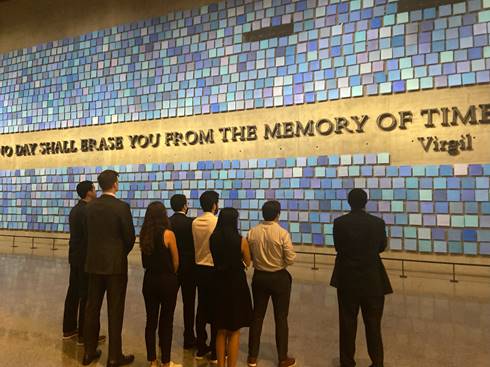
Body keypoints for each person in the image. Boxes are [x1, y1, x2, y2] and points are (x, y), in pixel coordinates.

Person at [330, 188, 393, 367]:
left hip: (347, 279)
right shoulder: (377, 223)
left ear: (349, 202)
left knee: (347, 323)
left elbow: (338, 247)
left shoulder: (340, 223)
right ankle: (377, 361)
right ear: (366, 202)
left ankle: (347, 361)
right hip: (372, 279)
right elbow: (381, 247)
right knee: (373, 324)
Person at [83, 170, 136, 367]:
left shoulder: (89, 207)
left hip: (93, 264)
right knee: (115, 311)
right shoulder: (122, 207)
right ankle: (114, 356)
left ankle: (89, 352)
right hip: (115, 267)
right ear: (115, 184)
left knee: (92, 309)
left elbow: (87, 235)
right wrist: (120, 253)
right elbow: (129, 238)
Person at [247, 201, 296, 367]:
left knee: (257, 316)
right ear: (278, 214)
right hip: (279, 278)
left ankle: (252, 357)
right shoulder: (282, 233)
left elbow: (249, 255)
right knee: (281, 318)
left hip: (259, 277)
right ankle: (282, 358)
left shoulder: (252, 232)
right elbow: (290, 258)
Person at [140, 202, 182, 367]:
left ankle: (152, 361)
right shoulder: (168, 234)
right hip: (167, 281)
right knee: (167, 321)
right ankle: (166, 361)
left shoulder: (144, 234)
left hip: (149, 280)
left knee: (151, 321)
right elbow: (176, 262)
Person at [210, 208, 253, 367]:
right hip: (236, 285)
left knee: (220, 329)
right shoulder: (240, 240)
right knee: (234, 330)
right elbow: (248, 262)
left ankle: (220, 364)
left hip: (218, 284)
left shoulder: (213, 238)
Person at [62, 180, 103, 345]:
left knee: (73, 293)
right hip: (85, 258)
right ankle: (85, 335)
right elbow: (90, 236)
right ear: (89, 192)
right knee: (86, 296)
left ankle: (69, 329)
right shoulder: (87, 211)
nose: (95, 191)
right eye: (94, 188)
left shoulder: (75, 210)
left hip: (75, 257)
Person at [192, 190, 219, 362]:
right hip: (213, 269)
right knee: (216, 309)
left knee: (201, 308)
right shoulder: (216, 222)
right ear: (214, 205)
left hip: (198, 268)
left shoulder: (195, 222)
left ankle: (201, 346)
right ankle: (216, 350)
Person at [169, 194, 197, 349]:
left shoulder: (168, 222)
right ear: (185, 206)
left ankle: (165, 336)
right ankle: (189, 337)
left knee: (169, 303)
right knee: (189, 303)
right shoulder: (191, 223)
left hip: (172, 268)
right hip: (189, 268)